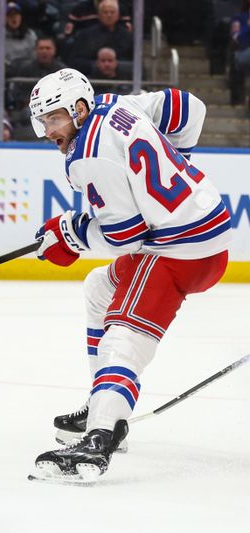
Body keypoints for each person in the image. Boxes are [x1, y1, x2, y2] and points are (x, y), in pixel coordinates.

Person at [27, 68, 231, 483]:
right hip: (203, 229)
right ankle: (98, 401)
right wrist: (178, 164)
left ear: (78, 109)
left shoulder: (88, 157)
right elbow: (190, 108)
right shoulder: (120, 104)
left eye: (54, 118)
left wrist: (70, 234)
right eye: (44, 121)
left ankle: (102, 434)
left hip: (177, 250)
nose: (49, 130)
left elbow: (125, 237)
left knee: (124, 333)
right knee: (99, 289)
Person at [63, 0, 132, 76]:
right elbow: (74, 62)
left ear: (118, 15)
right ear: (99, 15)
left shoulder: (127, 36)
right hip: (91, 77)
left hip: (121, 78)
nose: (109, 15)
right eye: (105, 12)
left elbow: (137, 64)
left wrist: (117, 65)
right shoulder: (85, 35)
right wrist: (95, 65)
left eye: (112, 12)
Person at [9, 36, 66, 109]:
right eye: (41, 48)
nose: (44, 51)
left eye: (48, 48)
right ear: (36, 50)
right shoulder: (25, 68)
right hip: (30, 108)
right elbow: (18, 92)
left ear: (54, 50)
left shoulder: (61, 70)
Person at [0, 2, 37, 67]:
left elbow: (34, 56)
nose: (14, 18)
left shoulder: (30, 34)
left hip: (27, 70)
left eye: (16, 14)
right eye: (10, 15)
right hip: (7, 71)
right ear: (5, 18)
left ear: (20, 17)